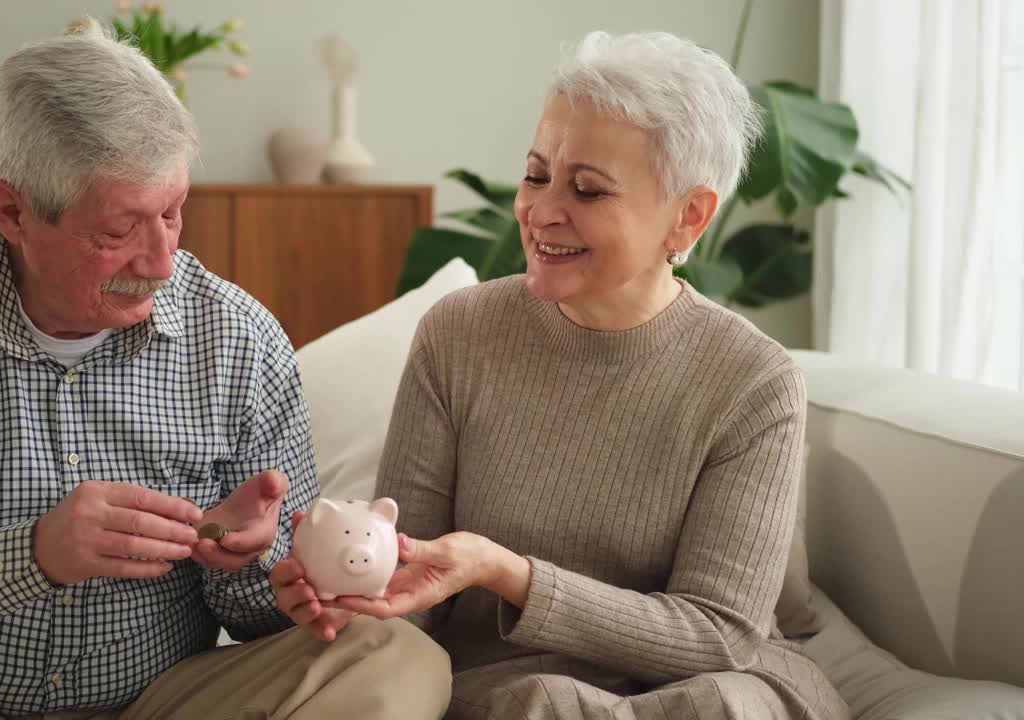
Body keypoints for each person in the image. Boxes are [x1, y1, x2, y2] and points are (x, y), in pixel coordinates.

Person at [0, 19, 450, 720]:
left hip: (166, 703)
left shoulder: (239, 339)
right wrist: (28, 556)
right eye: (119, 231)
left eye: (174, 213)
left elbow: (277, 618)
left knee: (395, 659)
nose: (162, 261)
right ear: (11, 210)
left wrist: (247, 563)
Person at [313, 31, 852, 720]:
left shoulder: (754, 381)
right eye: (537, 175)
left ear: (687, 217)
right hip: (509, 692)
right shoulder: (459, 334)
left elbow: (719, 634)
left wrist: (511, 576)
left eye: (588, 190)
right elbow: (407, 591)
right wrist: (345, 587)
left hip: (696, 688)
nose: (540, 211)